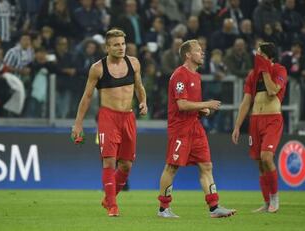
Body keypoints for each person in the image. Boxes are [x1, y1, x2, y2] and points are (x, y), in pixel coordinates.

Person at [71, 28, 147, 217]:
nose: (121, 48)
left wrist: (143, 101)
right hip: (108, 117)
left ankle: (108, 198)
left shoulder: (134, 63)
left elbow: (139, 86)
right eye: (116, 45)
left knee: (126, 165)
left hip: (128, 117)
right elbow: (87, 96)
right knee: (109, 161)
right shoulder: (98, 68)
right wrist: (78, 123)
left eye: (122, 44)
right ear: (107, 47)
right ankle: (113, 206)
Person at [157, 39, 236, 218]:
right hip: (180, 130)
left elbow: (190, 105)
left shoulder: (197, 76)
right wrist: (207, 103)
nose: (202, 53)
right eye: (198, 50)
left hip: (195, 127)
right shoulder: (179, 75)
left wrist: (201, 110)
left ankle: (214, 207)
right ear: (188, 54)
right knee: (172, 167)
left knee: (206, 166)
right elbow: (182, 105)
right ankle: (163, 209)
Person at [232, 42, 287, 213]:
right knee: (260, 164)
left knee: (266, 157)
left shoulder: (279, 70)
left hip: (272, 119)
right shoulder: (252, 75)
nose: (256, 57)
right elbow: (246, 101)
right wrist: (237, 126)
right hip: (256, 120)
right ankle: (266, 202)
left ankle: (275, 199)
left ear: (268, 56)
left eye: (259, 54)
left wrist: (264, 70)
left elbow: (272, 91)